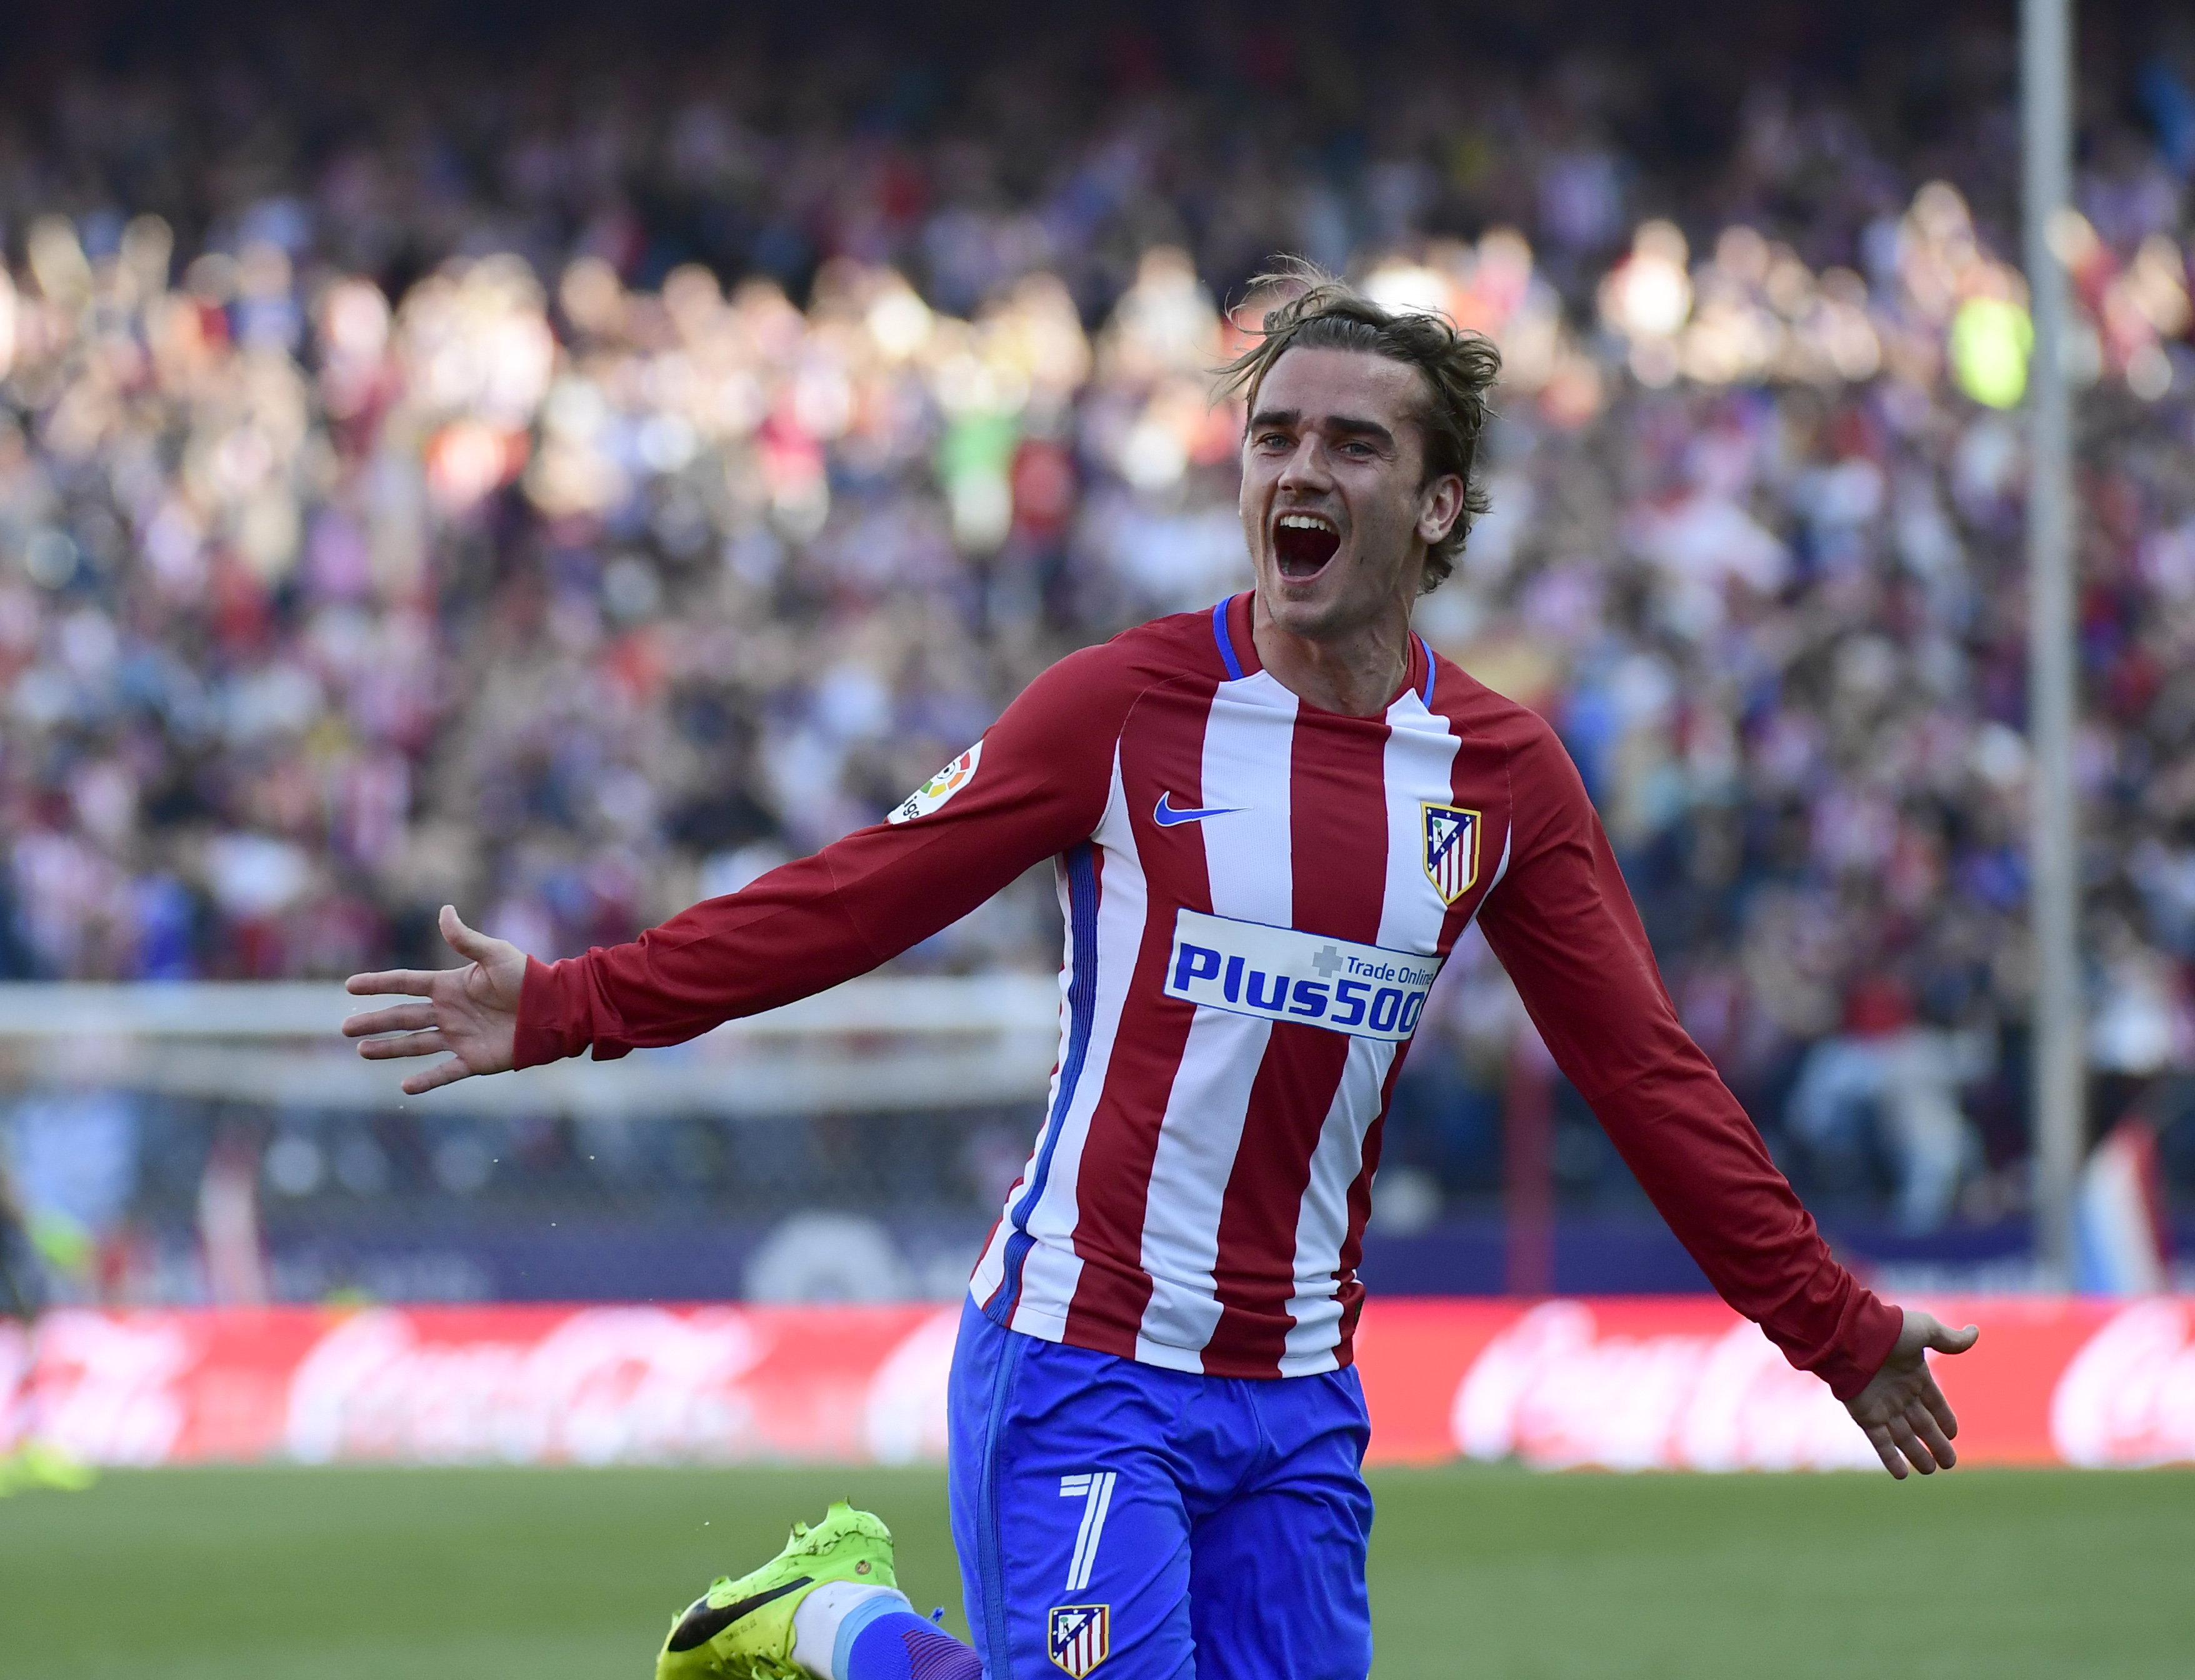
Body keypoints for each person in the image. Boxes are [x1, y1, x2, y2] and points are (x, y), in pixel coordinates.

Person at [344, 269, 1980, 1680]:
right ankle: (844, 1625)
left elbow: (1647, 1076)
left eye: (1355, 442)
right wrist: (567, 1005)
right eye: (1276, 436)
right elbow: (854, 900)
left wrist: (1831, 1327)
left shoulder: (1496, 776)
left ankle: (834, 1622)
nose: (1301, 468)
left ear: (1441, 506)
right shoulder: (1120, 710)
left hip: (1301, 1399)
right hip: (1082, 1359)